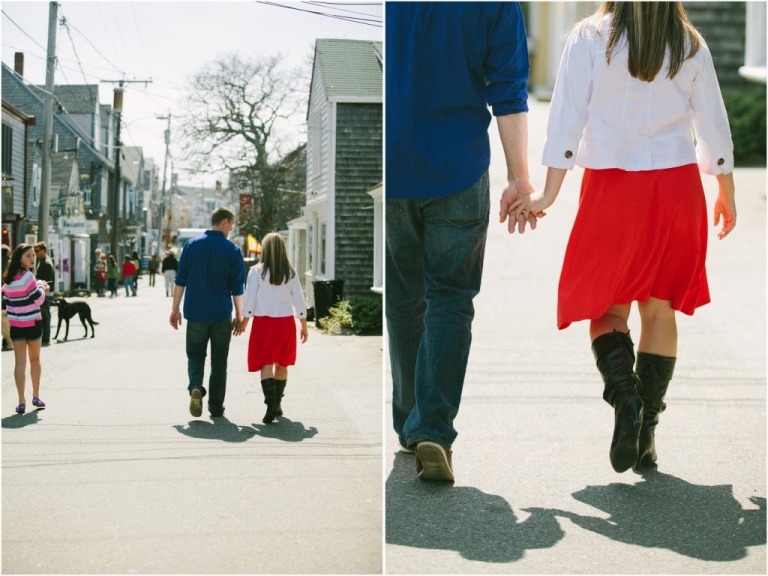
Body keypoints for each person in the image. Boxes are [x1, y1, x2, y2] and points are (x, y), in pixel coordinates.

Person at [509, 2, 736, 473]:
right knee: (660, 310)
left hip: (614, 187)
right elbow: (712, 121)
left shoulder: (591, 36)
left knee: (607, 309)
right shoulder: (689, 41)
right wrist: (725, 190)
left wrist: (548, 193)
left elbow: (567, 116)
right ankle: (647, 434)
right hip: (677, 189)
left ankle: (626, 399)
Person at [386, 2, 533, 482]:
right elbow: (508, 93)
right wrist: (519, 177)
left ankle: (411, 422)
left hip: (392, 169)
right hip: (458, 169)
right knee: (450, 299)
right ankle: (432, 427)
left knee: (406, 298)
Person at [170, 207, 246, 418]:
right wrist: (240, 316)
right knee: (219, 361)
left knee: (195, 355)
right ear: (223, 222)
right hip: (221, 313)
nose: (231, 228)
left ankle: (195, 386)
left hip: (195, 312)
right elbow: (237, 287)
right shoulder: (232, 250)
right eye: (231, 224)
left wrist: (174, 309)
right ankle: (216, 406)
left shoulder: (191, 245)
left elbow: (180, 280)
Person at [236, 232, 308, 424]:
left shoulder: (256, 272)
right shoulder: (290, 273)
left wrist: (245, 321)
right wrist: (303, 325)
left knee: (265, 362)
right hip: (285, 323)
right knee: (282, 363)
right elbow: (300, 301)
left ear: (265, 250)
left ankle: (270, 404)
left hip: (263, 323)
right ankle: (278, 403)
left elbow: (249, 299)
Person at [2, 244, 49, 414]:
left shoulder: (7, 279)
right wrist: (42, 285)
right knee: (35, 360)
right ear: (19, 258)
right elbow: (39, 299)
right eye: (28, 255)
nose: (32, 258)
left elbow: (5, 296)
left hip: (16, 326)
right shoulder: (28, 277)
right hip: (32, 324)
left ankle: (21, 401)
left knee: (19, 363)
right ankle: (35, 396)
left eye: (32, 255)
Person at [34, 242, 55, 346]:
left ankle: (45, 337)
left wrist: (40, 283)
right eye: (35, 251)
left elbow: (48, 281)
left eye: (37, 250)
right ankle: (44, 336)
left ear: (43, 250)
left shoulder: (45, 263)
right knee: (44, 314)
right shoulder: (42, 261)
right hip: (43, 292)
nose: (36, 253)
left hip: (46, 292)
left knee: (45, 314)